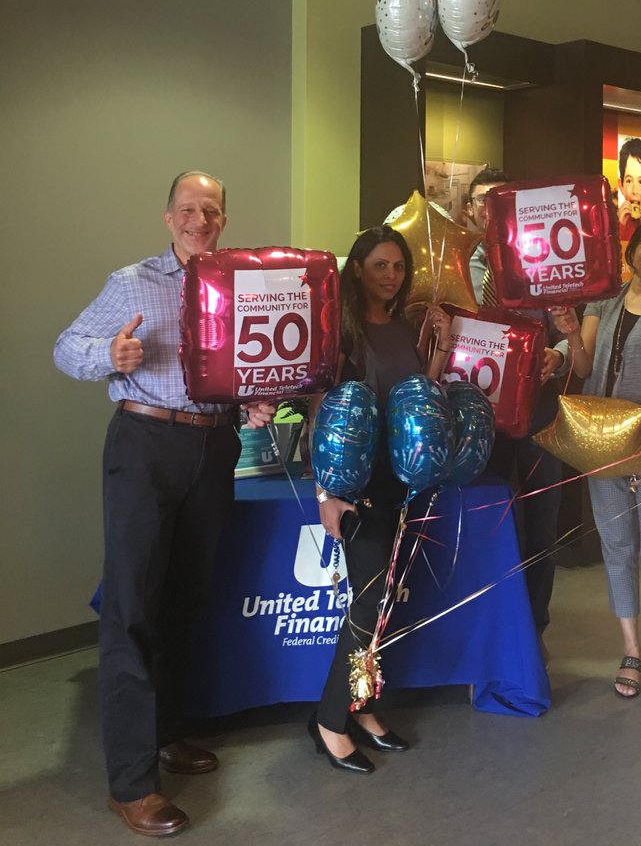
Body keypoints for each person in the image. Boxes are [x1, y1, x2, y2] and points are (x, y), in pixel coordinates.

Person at [53, 172, 275, 838]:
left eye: (211, 210)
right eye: (188, 209)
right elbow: (66, 348)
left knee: (185, 600)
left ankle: (169, 732)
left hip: (213, 447)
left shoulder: (237, 286)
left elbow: (236, 367)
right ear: (167, 217)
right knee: (131, 608)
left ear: (224, 221)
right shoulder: (130, 282)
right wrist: (109, 352)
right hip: (144, 442)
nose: (199, 219)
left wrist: (252, 402)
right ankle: (132, 783)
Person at [309, 225, 452, 774]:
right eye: (379, 266)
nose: (390, 276)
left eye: (398, 267)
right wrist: (326, 492)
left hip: (402, 481)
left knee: (386, 600)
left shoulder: (401, 329)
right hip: (356, 486)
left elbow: (421, 400)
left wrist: (438, 350)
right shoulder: (339, 333)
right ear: (358, 270)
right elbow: (324, 414)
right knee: (367, 602)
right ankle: (327, 720)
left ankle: (362, 704)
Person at [554, 216, 641, 711]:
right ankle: (631, 651)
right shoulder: (602, 300)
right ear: (630, 252)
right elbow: (585, 366)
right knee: (616, 548)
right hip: (601, 447)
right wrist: (572, 334)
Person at [465, 168, 568, 644]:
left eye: (501, 201)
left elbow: (570, 326)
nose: (491, 209)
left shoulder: (540, 257)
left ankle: (533, 634)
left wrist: (558, 353)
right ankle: (486, 631)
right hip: (473, 414)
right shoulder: (454, 264)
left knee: (539, 525)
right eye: (483, 201)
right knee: (483, 521)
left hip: (537, 411)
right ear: (470, 209)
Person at [617, 138, 641, 244]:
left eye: (640, 182)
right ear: (621, 185)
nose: (635, 191)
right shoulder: (611, 223)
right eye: (629, 181)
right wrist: (619, 226)